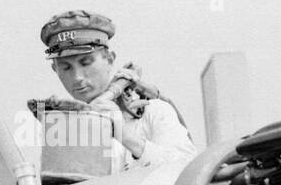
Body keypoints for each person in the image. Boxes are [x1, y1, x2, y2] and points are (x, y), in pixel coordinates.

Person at [38, 10, 197, 171]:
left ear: (110, 59)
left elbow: (188, 172)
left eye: (86, 63)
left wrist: (124, 134)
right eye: (66, 68)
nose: (77, 77)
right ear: (55, 69)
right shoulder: (66, 133)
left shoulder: (152, 112)